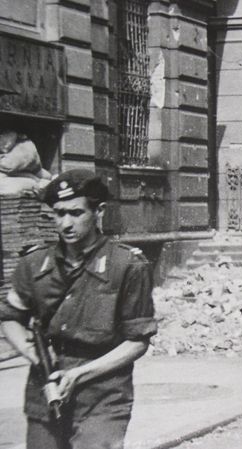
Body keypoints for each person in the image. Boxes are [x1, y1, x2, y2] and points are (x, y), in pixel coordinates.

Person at [0, 170, 157, 449]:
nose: (66, 224)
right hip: (45, 390)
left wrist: (79, 374)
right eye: (59, 213)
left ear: (99, 211)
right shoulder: (34, 264)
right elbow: (10, 317)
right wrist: (34, 354)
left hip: (102, 395)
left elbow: (137, 342)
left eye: (76, 213)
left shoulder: (127, 266)